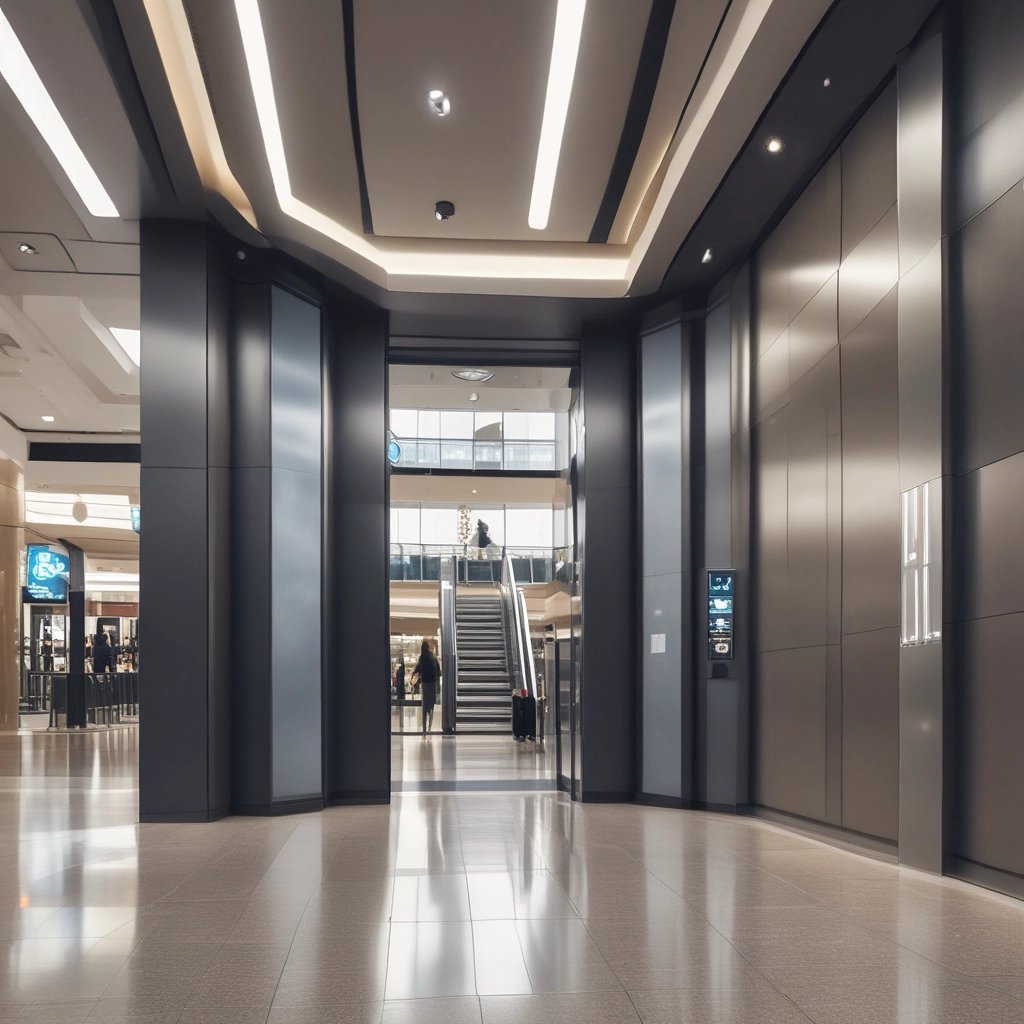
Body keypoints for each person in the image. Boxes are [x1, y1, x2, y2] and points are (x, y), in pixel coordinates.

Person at [411, 639, 440, 736]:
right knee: (431, 706)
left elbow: (418, 669)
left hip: (425, 684)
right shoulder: (434, 658)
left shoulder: (422, 658)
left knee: (424, 707)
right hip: (432, 684)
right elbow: (439, 673)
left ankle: (424, 730)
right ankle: (429, 727)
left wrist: (415, 676)